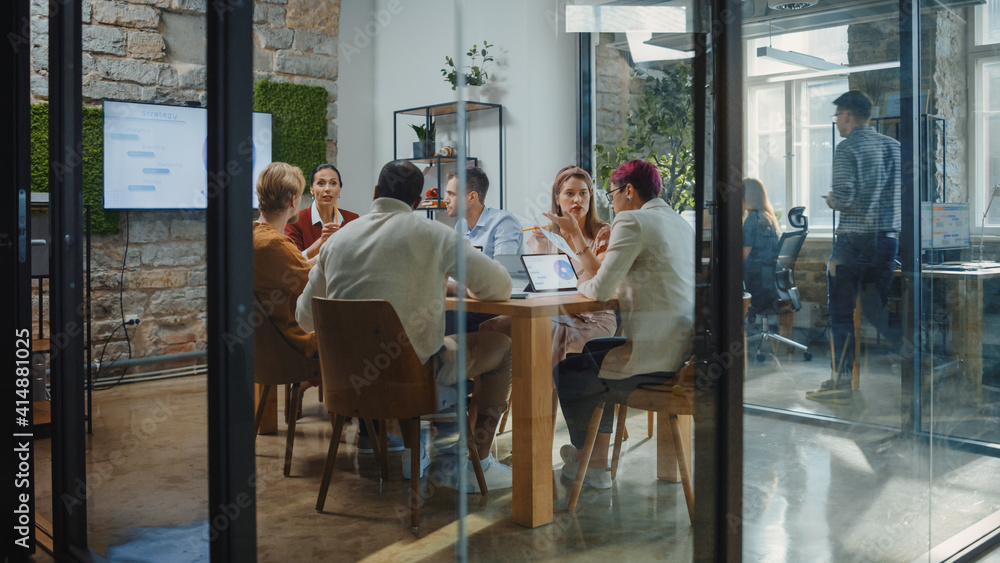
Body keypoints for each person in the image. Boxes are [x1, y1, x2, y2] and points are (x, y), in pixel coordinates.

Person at [295, 160, 515, 490]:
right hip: (414, 379)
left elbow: (304, 318)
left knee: (418, 342)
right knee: (501, 346)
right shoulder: (436, 235)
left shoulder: (337, 242)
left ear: (375, 193)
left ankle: (415, 451)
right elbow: (501, 287)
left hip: (346, 382)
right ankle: (478, 461)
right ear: (416, 203)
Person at [555, 159, 695, 489]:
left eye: (611, 194)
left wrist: (576, 282)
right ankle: (596, 457)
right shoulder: (678, 222)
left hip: (655, 357)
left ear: (628, 191)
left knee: (569, 370)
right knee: (591, 352)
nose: (611, 202)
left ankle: (593, 463)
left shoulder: (632, 221)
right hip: (685, 353)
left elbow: (600, 288)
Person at [807, 91, 900, 404]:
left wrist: (833, 200)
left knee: (841, 314)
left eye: (837, 117)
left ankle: (841, 382)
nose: (836, 123)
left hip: (853, 241)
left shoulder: (847, 148)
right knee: (878, 312)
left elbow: (845, 198)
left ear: (847, 115)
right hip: (887, 240)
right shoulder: (895, 147)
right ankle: (921, 361)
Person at [480, 166, 617, 367]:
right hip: (557, 313)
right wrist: (543, 246)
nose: (577, 200)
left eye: (583, 193)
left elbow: (600, 274)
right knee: (492, 326)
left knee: (539, 330)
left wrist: (576, 235)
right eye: (569, 194)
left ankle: (540, 395)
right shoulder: (549, 234)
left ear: (590, 198)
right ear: (557, 199)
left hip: (593, 319)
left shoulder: (603, 233)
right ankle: (491, 396)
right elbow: (541, 285)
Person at [443, 166, 523, 259]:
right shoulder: (460, 226)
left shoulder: (503, 223)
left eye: (451, 194)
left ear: (472, 197)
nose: (446, 200)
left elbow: (502, 270)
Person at [285, 164, 359, 260]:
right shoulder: (295, 221)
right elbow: (294, 262)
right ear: (312, 189)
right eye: (321, 183)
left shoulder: (353, 219)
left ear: (339, 189)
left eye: (333, 183)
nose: (327, 189)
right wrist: (321, 242)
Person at [742, 178, 782, 321]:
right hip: (769, 280)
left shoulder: (751, 220)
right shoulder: (767, 217)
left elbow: (744, 254)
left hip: (756, 280)